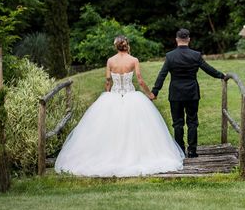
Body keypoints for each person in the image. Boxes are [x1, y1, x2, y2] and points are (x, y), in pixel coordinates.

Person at [55, 35, 184, 177]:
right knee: (138, 128)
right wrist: (150, 94)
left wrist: (108, 94)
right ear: (127, 45)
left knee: (109, 128)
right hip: (131, 95)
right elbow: (140, 81)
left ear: (116, 46)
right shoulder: (133, 60)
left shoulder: (110, 61)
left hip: (114, 95)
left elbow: (108, 81)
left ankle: (110, 155)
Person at [152, 28, 225, 158]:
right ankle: (192, 151)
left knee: (177, 123)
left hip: (175, 94)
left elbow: (161, 75)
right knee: (192, 122)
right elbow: (208, 69)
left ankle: (180, 151)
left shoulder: (170, 56)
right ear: (189, 40)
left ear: (176, 40)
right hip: (191, 93)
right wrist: (222, 75)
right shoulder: (195, 55)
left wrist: (155, 91)